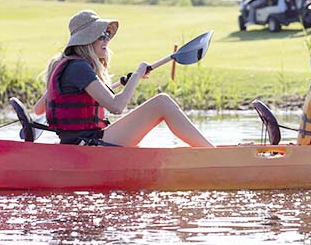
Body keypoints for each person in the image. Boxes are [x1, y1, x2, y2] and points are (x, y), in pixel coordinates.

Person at [33, 9, 214, 147]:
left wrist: (120, 84)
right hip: (88, 145)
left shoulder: (64, 64)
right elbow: (117, 106)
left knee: (161, 103)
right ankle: (212, 154)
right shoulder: (79, 68)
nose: (107, 40)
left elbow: (39, 108)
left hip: (79, 144)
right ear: (87, 40)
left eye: (107, 35)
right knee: (162, 103)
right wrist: (136, 75)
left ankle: (209, 151)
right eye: (101, 36)